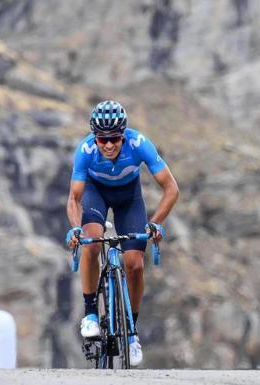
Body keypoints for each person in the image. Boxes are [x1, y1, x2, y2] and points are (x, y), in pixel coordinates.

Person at [65, 100, 179, 366]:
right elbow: (74, 199)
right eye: (102, 139)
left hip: (130, 199)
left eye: (114, 138)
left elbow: (171, 189)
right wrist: (75, 228)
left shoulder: (139, 144)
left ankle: (131, 332)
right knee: (91, 245)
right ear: (95, 137)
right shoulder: (85, 150)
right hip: (95, 194)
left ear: (124, 134)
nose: (108, 145)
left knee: (135, 264)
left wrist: (156, 222)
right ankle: (91, 313)